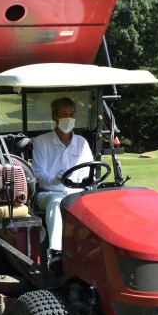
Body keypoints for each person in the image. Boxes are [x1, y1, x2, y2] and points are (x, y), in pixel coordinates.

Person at [32, 97, 93, 268]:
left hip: (74, 192)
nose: (68, 118)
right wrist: (55, 180)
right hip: (49, 193)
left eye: (71, 114)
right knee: (57, 202)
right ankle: (56, 252)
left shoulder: (81, 143)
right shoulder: (41, 142)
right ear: (55, 117)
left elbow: (87, 171)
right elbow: (39, 174)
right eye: (64, 114)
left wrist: (81, 183)